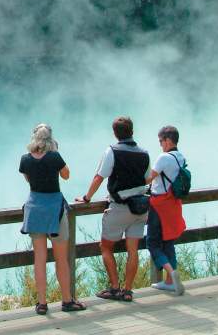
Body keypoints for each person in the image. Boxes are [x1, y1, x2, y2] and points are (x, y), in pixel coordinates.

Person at [75, 116, 150, 303]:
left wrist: (87, 198)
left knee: (106, 246)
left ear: (115, 133)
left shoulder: (112, 151)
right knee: (133, 250)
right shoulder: (144, 153)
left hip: (120, 206)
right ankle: (128, 290)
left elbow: (100, 177)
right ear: (132, 131)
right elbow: (148, 178)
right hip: (140, 207)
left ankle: (115, 288)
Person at [19, 124, 86, 314]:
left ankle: (42, 303)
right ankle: (66, 300)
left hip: (34, 209)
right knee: (60, 259)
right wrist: (54, 157)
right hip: (54, 209)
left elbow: (28, 179)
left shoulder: (25, 159)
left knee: (39, 259)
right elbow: (66, 175)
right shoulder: (54, 157)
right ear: (50, 139)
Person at [147, 125, 187, 295]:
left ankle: (171, 272)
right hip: (174, 204)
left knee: (153, 243)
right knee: (169, 242)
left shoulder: (164, 157)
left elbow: (149, 178)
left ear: (168, 140)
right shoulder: (181, 157)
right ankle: (171, 282)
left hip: (159, 205)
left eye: (161, 141)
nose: (160, 144)